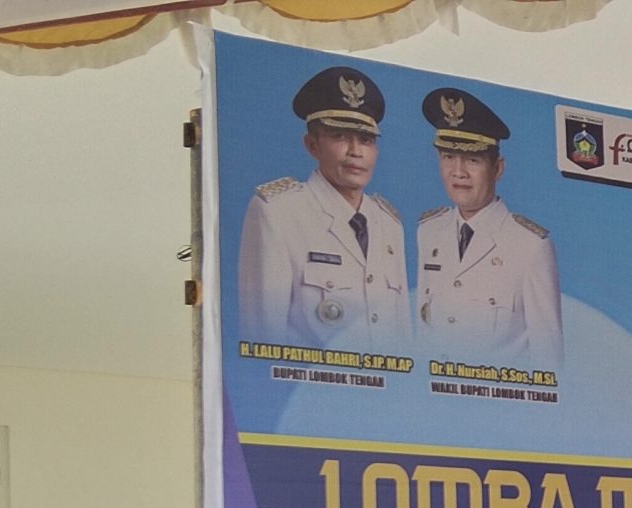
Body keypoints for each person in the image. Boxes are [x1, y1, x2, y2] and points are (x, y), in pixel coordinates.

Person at [237, 66, 413, 359]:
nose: (356, 151)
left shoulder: (388, 223)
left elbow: (403, 341)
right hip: (313, 386)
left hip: (385, 387)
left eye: (366, 140)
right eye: (340, 136)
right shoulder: (278, 213)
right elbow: (262, 339)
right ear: (312, 145)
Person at [413, 86, 563, 371]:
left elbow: (549, 361)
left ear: (497, 168)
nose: (458, 172)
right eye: (448, 157)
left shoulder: (529, 245)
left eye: (472, 159)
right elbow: (424, 331)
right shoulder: (429, 231)